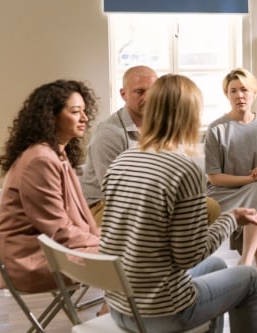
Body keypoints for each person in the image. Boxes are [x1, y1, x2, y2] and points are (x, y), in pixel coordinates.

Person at [100, 74, 257, 333]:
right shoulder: (183, 169)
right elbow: (189, 255)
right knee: (248, 278)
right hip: (161, 312)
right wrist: (231, 219)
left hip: (121, 308)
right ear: (189, 117)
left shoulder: (121, 161)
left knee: (216, 266)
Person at [79, 66, 222, 226]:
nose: (147, 98)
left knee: (209, 207)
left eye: (152, 91)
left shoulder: (160, 126)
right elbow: (114, 192)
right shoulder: (110, 133)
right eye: (139, 92)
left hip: (145, 198)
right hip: (104, 207)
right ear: (123, 94)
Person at [0, 80, 101, 293]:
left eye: (84, 111)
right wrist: (104, 241)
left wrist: (101, 237)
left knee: (131, 251)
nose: (85, 118)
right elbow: (59, 230)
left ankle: (112, 315)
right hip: (31, 261)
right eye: (75, 112)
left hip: (48, 248)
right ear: (51, 117)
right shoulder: (40, 160)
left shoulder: (55, 153)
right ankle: (119, 319)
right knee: (132, 258)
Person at [205, 68, 257, 306]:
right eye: (233, 91)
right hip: (223, 194)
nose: (239, 95)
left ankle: (247, 267)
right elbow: (214, 178)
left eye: (244, 90)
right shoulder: (217, 129)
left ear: (254, 93)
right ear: (226, 95)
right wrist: (251, 180)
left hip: (256, 190)